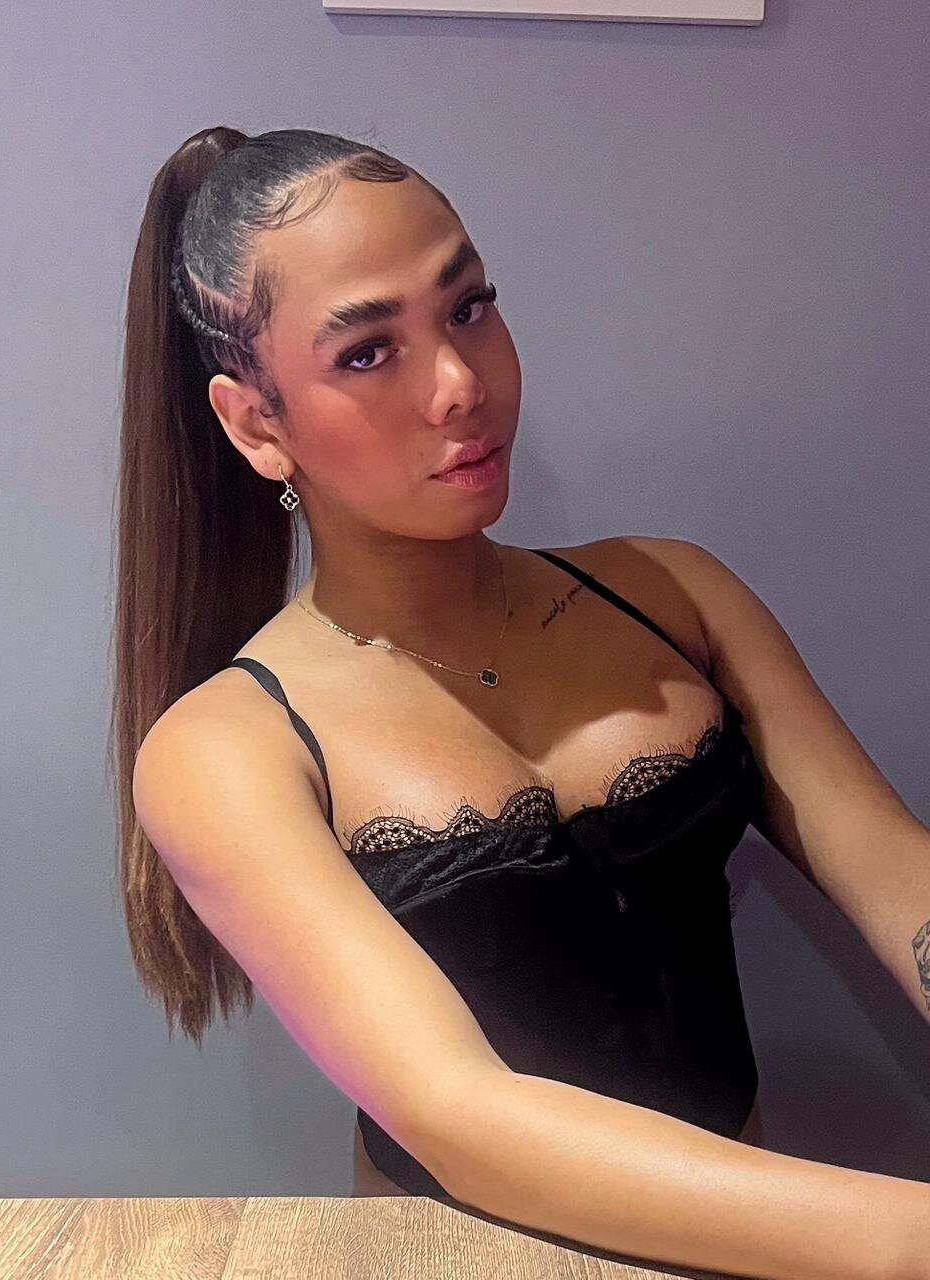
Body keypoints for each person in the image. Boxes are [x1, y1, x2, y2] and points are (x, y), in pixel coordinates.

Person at [112, 126, 930, 1278]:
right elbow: (460, 1112)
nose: (461, 382)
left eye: (468, 307)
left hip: (761, 1251)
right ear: (256, 422)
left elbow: (892, 866)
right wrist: (910, 1237)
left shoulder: (672, 594)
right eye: (367, 352)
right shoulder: (226, 747)